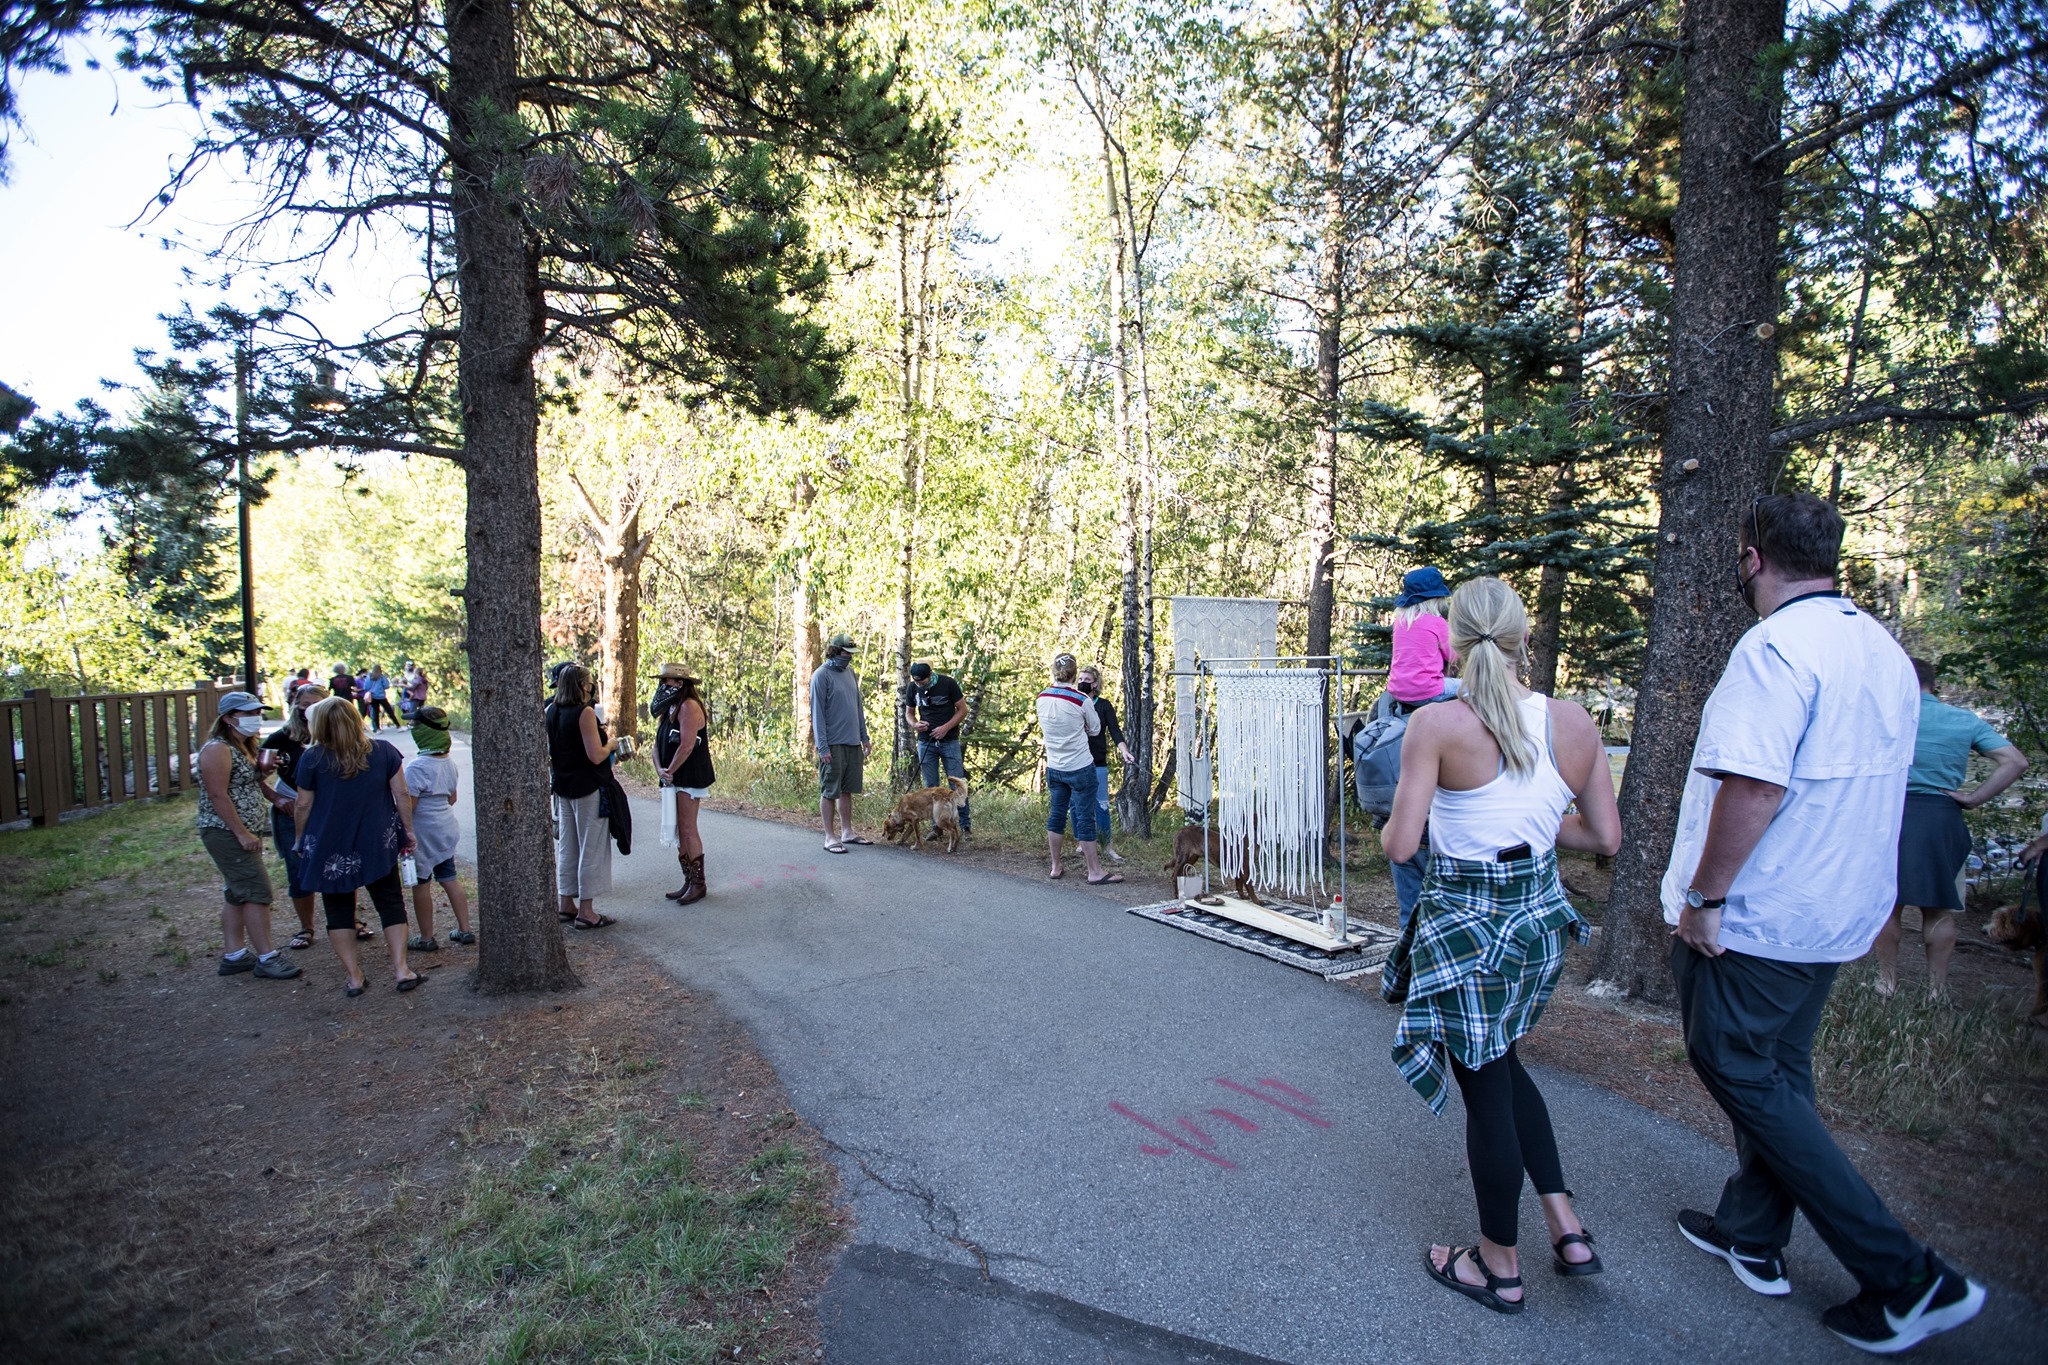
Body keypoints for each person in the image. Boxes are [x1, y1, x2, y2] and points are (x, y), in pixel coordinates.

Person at [1662, 493, 1983, 1354]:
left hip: (1762, 916)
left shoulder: (1775, 649)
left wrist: (1707, 897)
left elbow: (1756, 785)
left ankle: (1907, 1274)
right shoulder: (1878, 647)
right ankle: (1752, 1230)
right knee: (1780, 1076)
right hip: (1837, 909)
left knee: (1731, 1061)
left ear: (1752, 557)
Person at [1380, 577, 1619, 1314]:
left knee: (1485, 1092)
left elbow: (1402, 841)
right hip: (1537, 921)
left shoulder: (1438, 725)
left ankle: (1499, 1265)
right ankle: (1566, 1225)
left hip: (1468, 930)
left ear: (1452, 641)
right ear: (1523, 638)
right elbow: (1604, 838)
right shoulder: (1574, 722)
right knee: (1504, 1065)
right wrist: (1540, 822)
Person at [1872, 658, 2028, 998]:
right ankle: (1936, 991)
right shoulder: (1963, 720)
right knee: (1939, 908)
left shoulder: (1884, 717)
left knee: (1887, 903)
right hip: (1943, 819)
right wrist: (1973, 799)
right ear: (1935, 684)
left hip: (1891, 815)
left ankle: (1886, 982)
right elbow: (2015, 761)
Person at [294, 696, 423, 994]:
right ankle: (402, 969)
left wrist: (300, 839)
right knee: (390, 903)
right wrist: (408, 830)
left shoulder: (312, 758)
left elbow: (303, 804)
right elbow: (401, 795)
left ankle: (354, 977)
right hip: (376, 841)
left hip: (329, 845)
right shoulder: (383, 752)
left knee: (338, 909)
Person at [197, 691, 303, 981]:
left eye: (258, 711)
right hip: (225, 831)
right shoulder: (217, 749)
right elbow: (218, 795)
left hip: (240, 829)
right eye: (248, 713)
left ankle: (235, 955)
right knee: (257, 892)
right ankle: (268, 957)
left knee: (237, 893)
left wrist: (273, 794)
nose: (256, 717)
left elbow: (246, 784)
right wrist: (241, 833)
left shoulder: (242, 746)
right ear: (229, 718)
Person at [547, 663, 622, 927]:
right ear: (581, 685)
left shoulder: (551, 711)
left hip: (564, 787)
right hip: (588, 787)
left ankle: (565, 903)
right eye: (589, 683)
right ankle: (587, 912)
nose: (591, 687)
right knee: (591, 846)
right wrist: (612, 744)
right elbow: (595, 755)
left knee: (568, 846)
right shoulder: (584, 713)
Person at [1037, 653, 1120, 884]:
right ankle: (1094, 871)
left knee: (1056, 815)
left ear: (1054, 672)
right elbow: (1094, 730)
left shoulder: (1042, 697)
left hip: (1054, 764)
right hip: (1080, 765)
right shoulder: (1080, 699)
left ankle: (1055, 866)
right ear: (1074, 675)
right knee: (1084, 816)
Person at [261, 683, 329, 950]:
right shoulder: (282, 738)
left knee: (338, 864)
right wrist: (276, 798)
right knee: (299, 870)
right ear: (295, 707)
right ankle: (306, 927)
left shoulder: (337, 736)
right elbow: (255, 774)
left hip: (327, 811)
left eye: (314, 706)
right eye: (303, 706)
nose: (308, 711)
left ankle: (349, 920)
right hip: (291, 811)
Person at [403, 707, 474, 947]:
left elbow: (409, 805)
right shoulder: (449, 763)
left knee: (421, 883)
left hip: (424, 832)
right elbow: (452, 798)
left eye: (415, 726)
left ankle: (426, 937)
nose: (412, 729)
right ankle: (465, 929)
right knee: (449, 877)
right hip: (446, 828)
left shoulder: (416, 767)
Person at [651, 663, 716, 904]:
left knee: (688, 828)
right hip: (671, 777)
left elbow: (687, 745)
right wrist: (661, 770)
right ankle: (688, 880)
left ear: (680, 683)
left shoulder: (689, 706)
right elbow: (656, 745)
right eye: (662, 680)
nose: (662, 685)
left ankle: (698, 884)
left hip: (689, 776)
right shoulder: (669, 708)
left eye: (667, 681)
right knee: (678, 829)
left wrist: (670, 771)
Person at [811, 632, 872, 854]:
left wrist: (864, 737)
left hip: (852, 741)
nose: (850, 657)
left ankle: (847, 831)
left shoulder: (850, 673)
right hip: (832, 743)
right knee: (830, 790)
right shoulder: (821, 675)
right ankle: (829, 836)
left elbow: (857, 707)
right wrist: (822, 746)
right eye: (847, 653)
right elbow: (817, 713)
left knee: (847, 789)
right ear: (836, 651)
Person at [906, 661, 972, 840]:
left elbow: (962, 709)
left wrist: (945, 727)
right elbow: (909, 712)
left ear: (931, 674)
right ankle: (937, 827)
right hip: (926, 742)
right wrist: (915, 724)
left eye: (923, 681)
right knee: (931, 786)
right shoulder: (913, 688)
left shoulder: (947, 683)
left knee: (956, 783)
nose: (920, 684)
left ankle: (965, 826)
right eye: (917, 682)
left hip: (949, 741)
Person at [1076, 664, 1134, 863]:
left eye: (1087, 680)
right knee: (1078, 804)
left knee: (1101, 805)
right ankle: (1083, 843)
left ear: (1095, 684)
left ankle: (1106, 845)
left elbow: (1115, 732)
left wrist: (1124, 751)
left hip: (1097, 761)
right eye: (1080, 679)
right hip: (1076, 761)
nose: (1083, 683)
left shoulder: (1104, 705)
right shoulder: (1073, 702)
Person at [1389, 567, 1458, 708]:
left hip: (1397, 690)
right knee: (1472, 688)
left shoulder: (1399, 622)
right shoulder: (1437, 622)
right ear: (1436, 599)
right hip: (1427, 689)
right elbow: (1453, 656)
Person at [362, 664, 400, 731]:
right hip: (381, 696)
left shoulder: (369, 677)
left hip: (373, 697)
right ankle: (398, 725)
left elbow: (365, 687)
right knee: (389, 710)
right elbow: (386, 686)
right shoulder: (382, 677)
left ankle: (377, 728)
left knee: (375, 712)